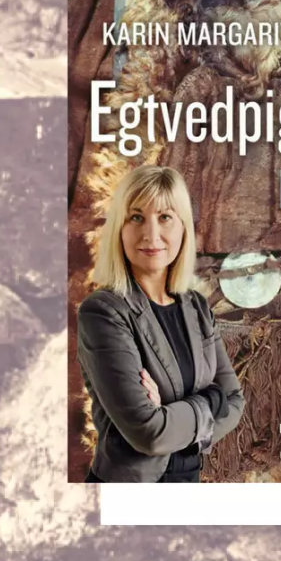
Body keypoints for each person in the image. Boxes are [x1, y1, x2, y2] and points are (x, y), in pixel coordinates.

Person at [76, 164, 245, 482]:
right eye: (136, 217)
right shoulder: (103, 312)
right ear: (119, 229)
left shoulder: (195, 306)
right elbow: (150, 434)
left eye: (165, 217)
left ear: (183, 227)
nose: (151, 235)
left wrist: (169, 410)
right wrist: (210, 400)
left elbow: (234, 402)